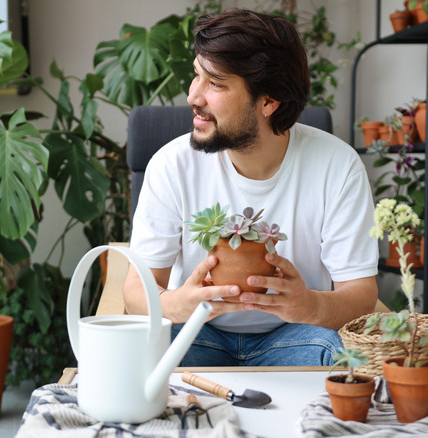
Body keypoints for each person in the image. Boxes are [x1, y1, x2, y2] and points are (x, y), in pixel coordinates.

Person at [123, 8, 379, 366]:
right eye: (197, 77)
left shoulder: (338, 165)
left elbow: (361, 294)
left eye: (215, 84)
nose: (193, 96)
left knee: (344, 360)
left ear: (268, 102)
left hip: (296, 336)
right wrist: (182, 303)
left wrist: (310, 304)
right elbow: (136, 292)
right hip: (195, 332)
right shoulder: (172, 165)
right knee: (140, 352)